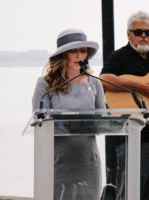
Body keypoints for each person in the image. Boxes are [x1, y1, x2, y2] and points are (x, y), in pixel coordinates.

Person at [100, 11, 149, 200]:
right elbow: (103, 80)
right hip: (131, 137)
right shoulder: (119, 57)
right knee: (130, 193)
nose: (144, 36)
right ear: (129, 34)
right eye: (139, 32)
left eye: (148, 33)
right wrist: (140, 87)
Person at [32, 28, 106, 200]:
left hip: (89, 161)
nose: (80, 55)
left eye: (83, 50)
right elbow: (39, 123)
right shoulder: (45, 85)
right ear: (63, 55)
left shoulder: (95, 84)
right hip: (60, 162)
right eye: (73, 50)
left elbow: (102, 121)